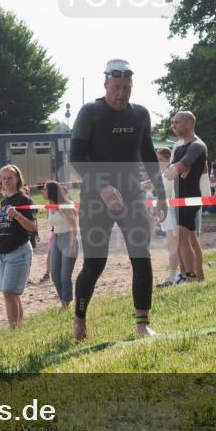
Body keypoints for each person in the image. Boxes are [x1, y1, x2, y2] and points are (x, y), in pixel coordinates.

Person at [70, 59, 166, 342]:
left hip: (132, 194)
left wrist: (161, 194)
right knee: (95, 264)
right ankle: (80, 318)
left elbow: (149, 156)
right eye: (116, 87)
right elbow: (75, 157)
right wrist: (101, 187)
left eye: (126, 87)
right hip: (95, 197)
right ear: (106, 84)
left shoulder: (140, 115)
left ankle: (142, 324)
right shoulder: (91, 113)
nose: (121, 93)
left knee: (141, 255)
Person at [164, 111, 208, 282]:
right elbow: (171, 171)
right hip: (179, 197)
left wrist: (178, 169)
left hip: (191, 197)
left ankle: (188, 277)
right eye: (172, 122)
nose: (173, 126)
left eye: (177, 122)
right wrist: (177, 169)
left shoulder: (197, 145)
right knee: (191, 238)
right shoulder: (178, 146)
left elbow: (173, 171)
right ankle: (199, 277)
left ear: (189, 124)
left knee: (183, 238)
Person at [0, 164, 37, 328]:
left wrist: (18, 215)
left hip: (19, 250)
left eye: (10, 178)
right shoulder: (4, 201)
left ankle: (15, 329)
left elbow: (32, 227)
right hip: (3, 251)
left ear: (18, 179)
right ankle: (17, 327)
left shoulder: (24, 200)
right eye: (3, 178)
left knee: (9, 292)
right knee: (9, 294)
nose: (6, 181)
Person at [44, 181, 78, 310]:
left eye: (45, 189)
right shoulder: (49, 207)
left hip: (68, 238)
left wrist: (72, 244)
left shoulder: (64, 206)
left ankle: (66, 303)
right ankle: (63, 301)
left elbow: (74, 226)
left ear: (52, 191)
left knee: (65, 275)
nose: (42, 192)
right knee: (55, 274)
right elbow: (54, 227)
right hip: (57, 238)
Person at [156, 147, 182, 286]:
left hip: (173, 210)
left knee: (174, 245)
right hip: (167, 211)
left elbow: (172, 193)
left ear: (167, 158)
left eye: (160, 159)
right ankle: (174, 275)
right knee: (170, 245)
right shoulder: (163, 172)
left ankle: (173, 277)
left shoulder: (171, 171)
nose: (157, 162)